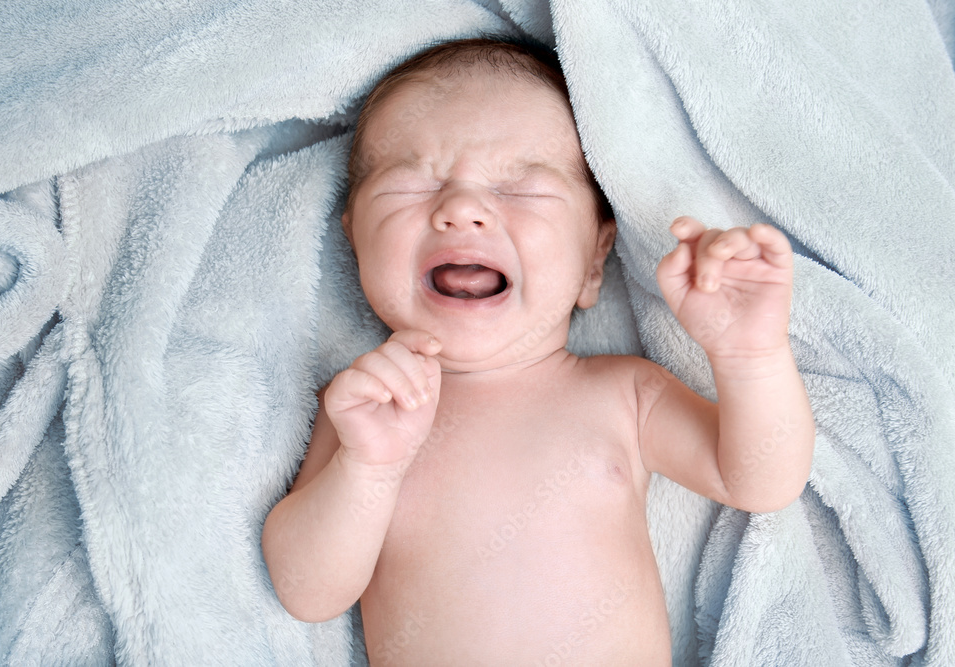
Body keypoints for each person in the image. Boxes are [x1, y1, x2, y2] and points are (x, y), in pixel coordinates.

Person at [262, 38, 815, 666]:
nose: (462, 210)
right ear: (355, 240)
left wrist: (749, 355)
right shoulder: (364, 411)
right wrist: (367, 469)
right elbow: (307, 593)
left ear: (594, 259)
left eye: (521, 190)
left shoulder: (624, 394)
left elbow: (759, 480)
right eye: (413, 185)